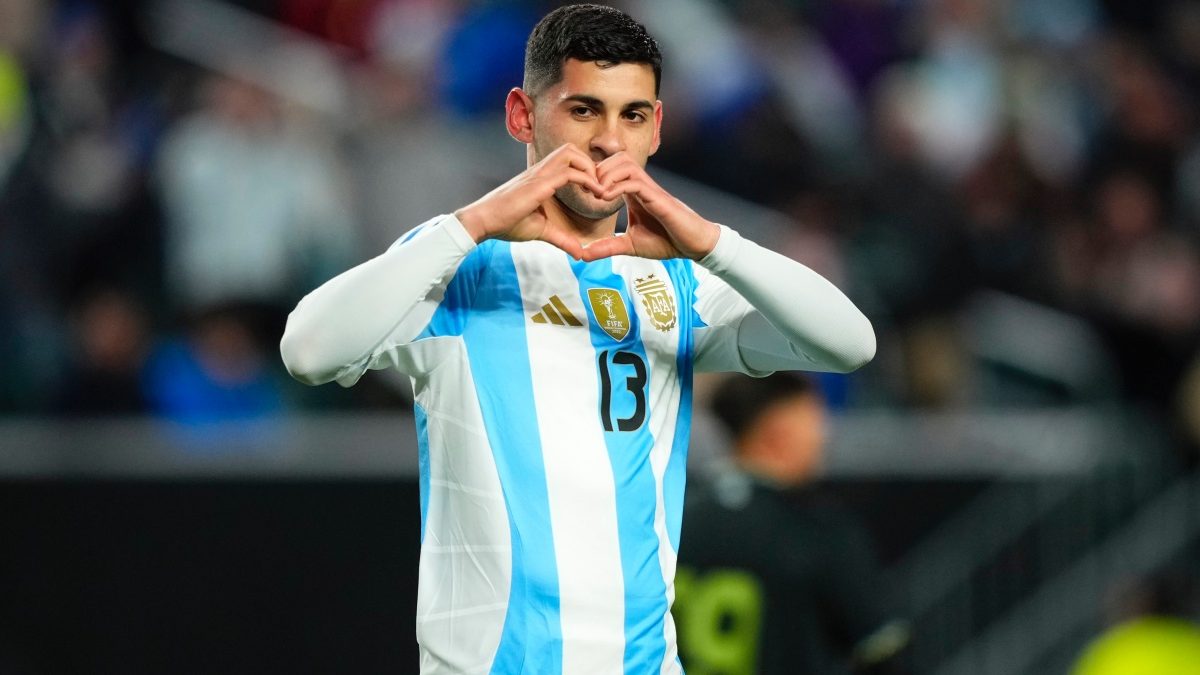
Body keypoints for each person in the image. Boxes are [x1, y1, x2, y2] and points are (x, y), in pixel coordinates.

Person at [280, 4, 875, 673]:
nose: (608, 142)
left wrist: (713, 243)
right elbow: (308, 350)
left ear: (656, 129)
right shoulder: (459, 263)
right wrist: (472, 223)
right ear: (522, 116)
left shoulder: (679, 281)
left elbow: (849, 342)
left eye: (633, 115)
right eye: (584, 110)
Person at [677, 373, 910, 675]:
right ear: (779, 431)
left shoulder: (675, 519)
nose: (824, 435)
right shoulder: (816, 529)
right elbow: (883, 653)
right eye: (813, 419)